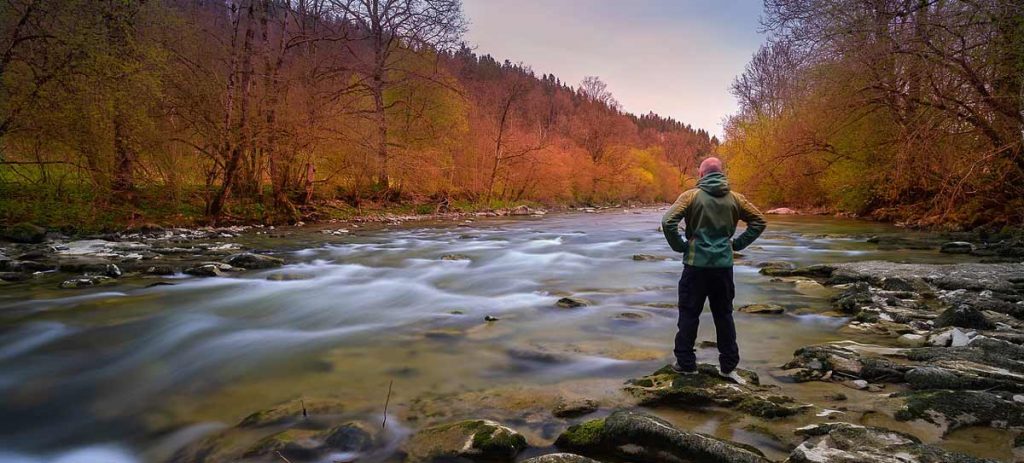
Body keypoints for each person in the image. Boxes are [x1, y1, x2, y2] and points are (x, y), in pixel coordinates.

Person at [661, 157, 766, 384]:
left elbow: (668, 221)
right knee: (724, 315)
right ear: (721, 174)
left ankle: (686, 365)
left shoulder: (690, 196)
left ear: (701, 175)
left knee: (689, 314)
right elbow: (759, 221)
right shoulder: (736, 199)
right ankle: (728, 367)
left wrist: (681, 246)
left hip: (695, 265)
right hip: (723, 267)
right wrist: (736, 245)